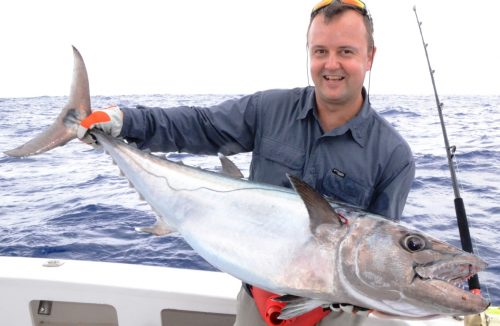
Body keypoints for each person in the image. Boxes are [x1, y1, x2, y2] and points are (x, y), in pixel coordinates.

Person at [77, 0, 415, 325]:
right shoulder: (270, 109)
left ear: (370, 56)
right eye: (320, 51)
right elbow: (201, 126)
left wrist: (364, 294)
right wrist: (124, 122)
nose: (331, 65)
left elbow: (380, 252)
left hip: (336, 316)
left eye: (346, 51)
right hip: (257, 301)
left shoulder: (392, 155)